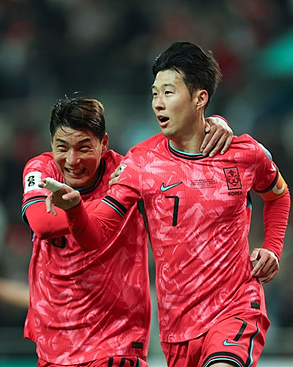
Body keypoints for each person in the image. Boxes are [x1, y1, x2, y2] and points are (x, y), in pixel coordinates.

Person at [45, 42, 291, 367]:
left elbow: (277, 194)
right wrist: (75, 209)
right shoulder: (141, 163)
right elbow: (96, 235)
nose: (158, 104)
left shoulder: (244, 154)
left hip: (235, 307)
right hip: (177, 329)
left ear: (200, 98)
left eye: (168, 93)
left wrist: (272, 247)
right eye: (154, 94)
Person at [22, 95, 233, 367]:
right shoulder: (40, 171)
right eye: (63, 147)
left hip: (116, 339)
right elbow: (42, 223)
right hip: (55, 342)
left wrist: (213, 124)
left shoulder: (129, 173)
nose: (72, 160)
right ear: (52, 145)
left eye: (84, 147)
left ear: (104, 144)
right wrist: (106, 203)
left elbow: (185, 163)